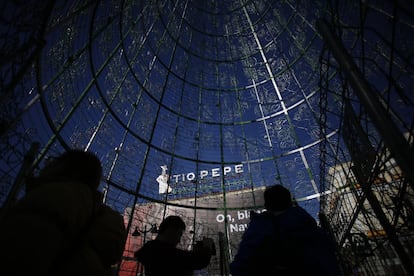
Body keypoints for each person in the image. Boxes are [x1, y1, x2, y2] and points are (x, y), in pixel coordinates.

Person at [0, 149, 126, 276]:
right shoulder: (100, 218)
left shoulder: (52, 196)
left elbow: (17, 255)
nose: (46, 165)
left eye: (51, 161)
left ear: (61, 166)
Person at [230, 185, 341, 276]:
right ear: (289, 201)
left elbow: (243, 262)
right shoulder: (310, 226)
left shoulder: (261, 227)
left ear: (267, 205)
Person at [135, 215, 215, 276]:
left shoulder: (151, 250)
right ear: (170, 230)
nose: (179, 240)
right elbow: (199, 261)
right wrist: (207, 247)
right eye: (179, 234)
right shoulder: (163, 252)